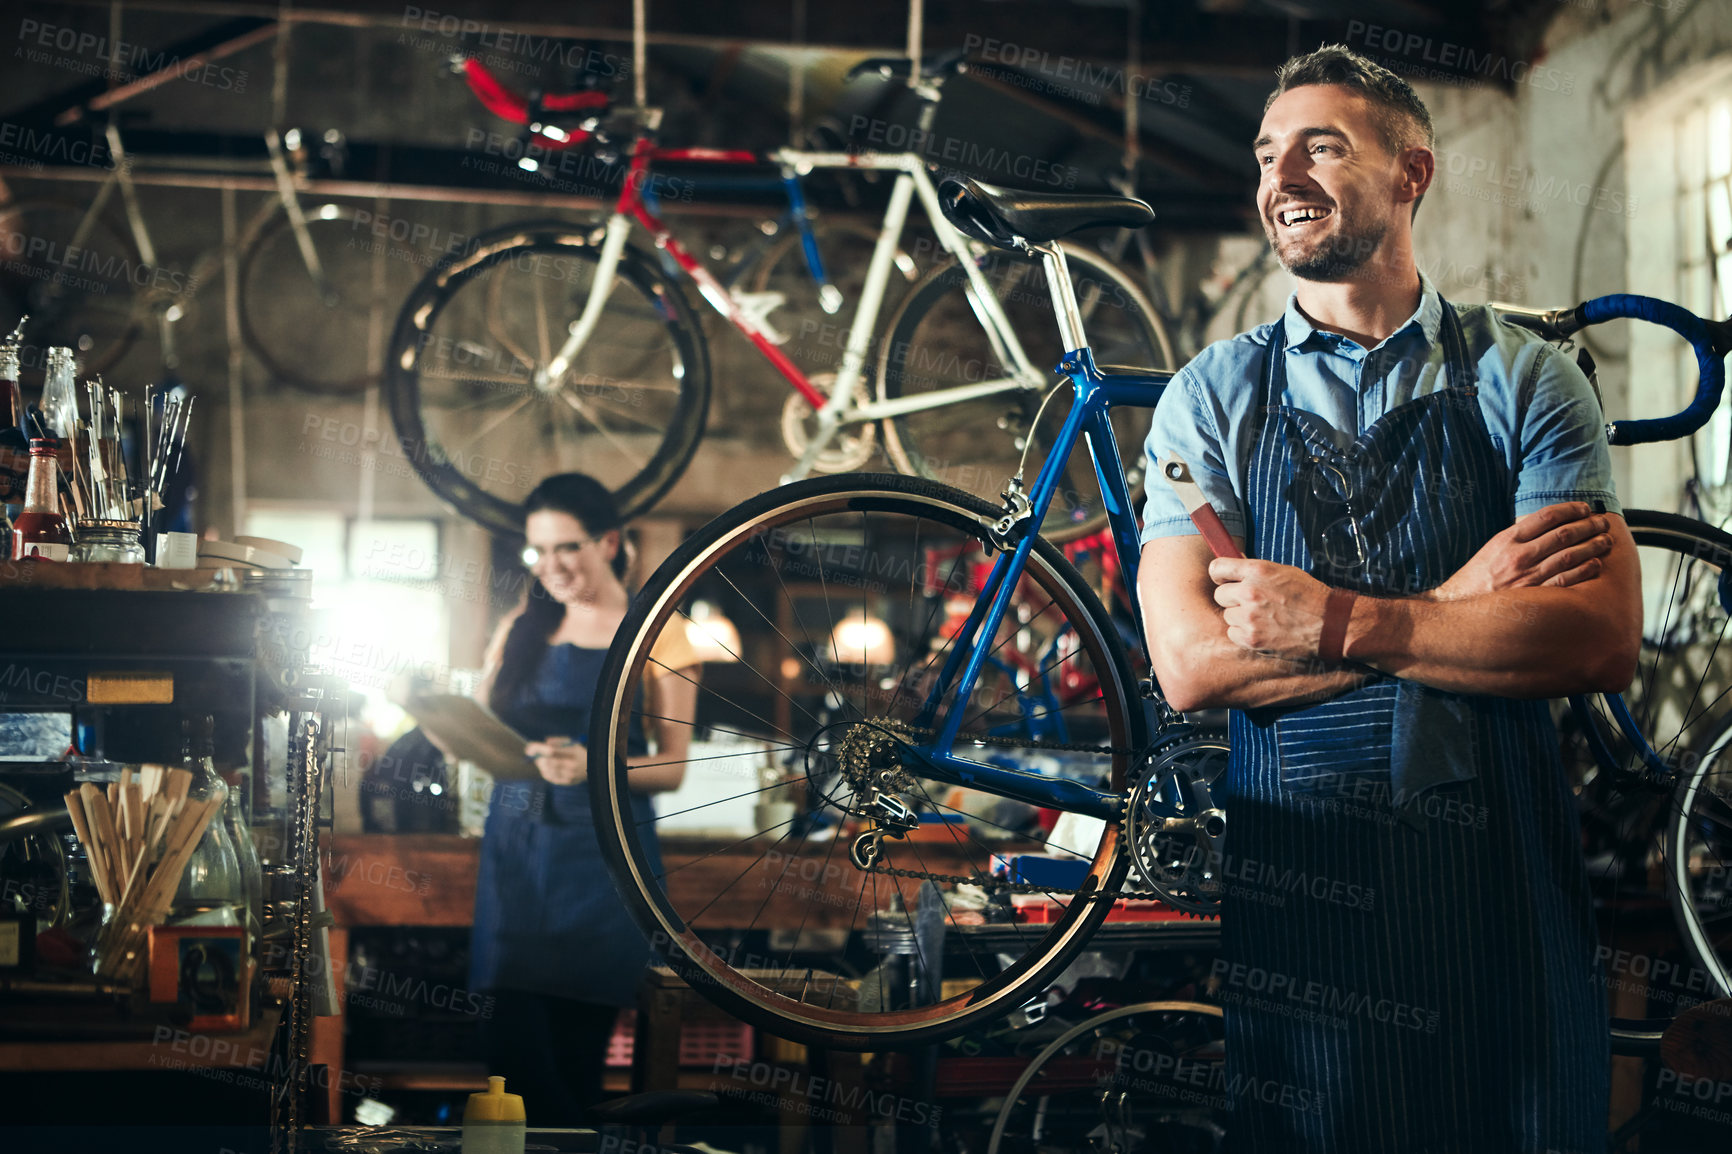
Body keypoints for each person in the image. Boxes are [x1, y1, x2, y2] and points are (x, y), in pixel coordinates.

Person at [1136, 45, 1640, 1153]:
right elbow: (1192, 665)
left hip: (1497, 895)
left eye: (1322, 146)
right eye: (1268, 153)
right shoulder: (1208, 398)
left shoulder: (1527, 379)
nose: (1283, 176)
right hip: (1302, 902)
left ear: (1411, 174)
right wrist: (1465, 598)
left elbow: (1597, 638)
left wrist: (1324, 619)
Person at [467, 473, 698, 1124]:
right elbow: (482, 725)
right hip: (514, 851)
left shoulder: (662, 631)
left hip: (603, 857)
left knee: (572, 1060)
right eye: (537, 552)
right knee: (506, 1054)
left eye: (567, 548)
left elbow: (674, 768)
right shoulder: (523, 622)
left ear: (610, 542)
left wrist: (595, 767)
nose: (551, 567)